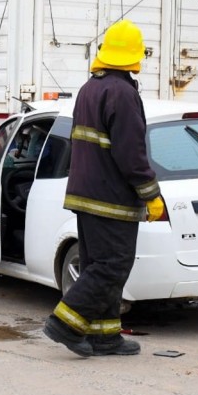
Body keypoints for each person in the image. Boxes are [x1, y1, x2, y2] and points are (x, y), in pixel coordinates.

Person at [42, 19, 167, 357]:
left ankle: (105, 335)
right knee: (112, 267)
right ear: (134, 56)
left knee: (99, 263)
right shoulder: (123, 93)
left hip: (87, 195)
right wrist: (151, 193)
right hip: (111, 199)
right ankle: (66, 323)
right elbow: (131, 152)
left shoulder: (90, 88)